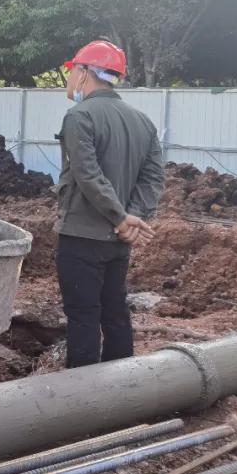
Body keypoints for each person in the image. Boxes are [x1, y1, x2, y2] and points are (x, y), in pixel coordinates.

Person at [55, 40, 165, 368]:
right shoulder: (142, 122)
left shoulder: (79, 117)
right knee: (115, 313)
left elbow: (88, 176)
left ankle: (84, 403)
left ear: (85, 72)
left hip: (82, 237)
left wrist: (120, 217)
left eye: (72, 71)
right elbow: (153, 179)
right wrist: (133, 218)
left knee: (83, 317)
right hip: (119, 242)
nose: (69, 79)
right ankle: (123, 392)